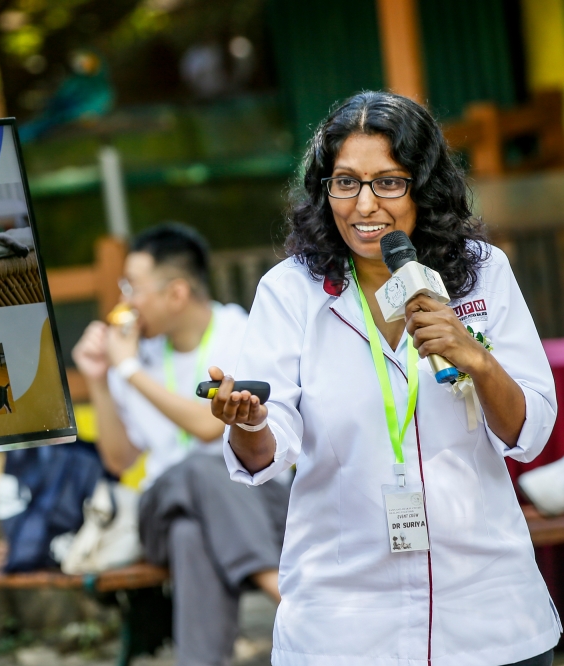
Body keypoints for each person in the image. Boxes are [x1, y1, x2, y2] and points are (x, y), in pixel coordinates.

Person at [209, 91, 560, 666]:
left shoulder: (481, 273)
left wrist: (476, 358)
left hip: (488, 610)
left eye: (389, 183)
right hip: (345, 622)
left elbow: (531, 431)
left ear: (424, 185)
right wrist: (249, 422)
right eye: (345, 182)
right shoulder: (290, 290)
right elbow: (268, 450)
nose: (364, 205)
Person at [72, 222, 290, 666]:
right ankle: (286, 597)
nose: (124, 301)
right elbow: (119, 458)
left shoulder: (239, 332)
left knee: (192, 533)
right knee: (195, 472)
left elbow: (213, 428)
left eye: (133, 287)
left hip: (257, 502)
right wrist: (100, 378)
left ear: (175, 294)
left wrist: (129, 370)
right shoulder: (136, 356)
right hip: (160, 509)